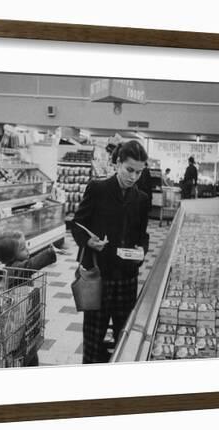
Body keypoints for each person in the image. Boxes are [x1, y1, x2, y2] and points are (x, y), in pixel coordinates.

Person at [72, 140, 150, 364]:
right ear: (117, 164)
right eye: (129, 170)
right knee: (93, 339)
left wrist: (142, 250)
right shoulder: (98, 189)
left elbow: (143, 234)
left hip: (126, 277)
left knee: (124, 337)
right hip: (99, 275)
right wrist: (89, 241)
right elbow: (77, 223)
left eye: (138, 172)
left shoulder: (142, 199)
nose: (133, 177)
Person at [0, 230, 58, 366]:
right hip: (18, 319)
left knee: (28, 346)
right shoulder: (14, 269)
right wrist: (49, 253)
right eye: (23, 249)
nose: (27, 250)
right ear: (11, 257)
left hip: (24, 316)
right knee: (23, 349)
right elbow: (30, 265)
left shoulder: (15, 265)